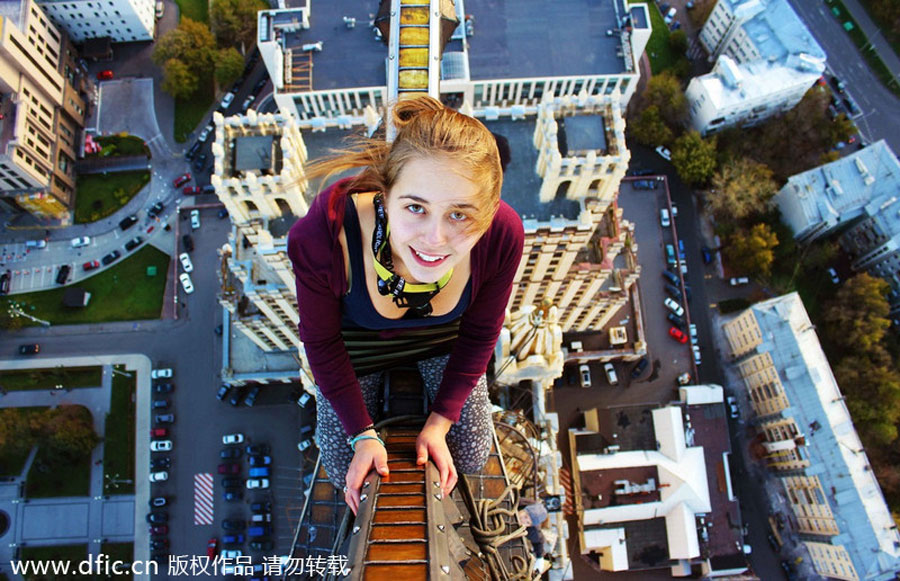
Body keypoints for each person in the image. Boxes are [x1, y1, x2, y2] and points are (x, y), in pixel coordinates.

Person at [287, 96, 524, 514]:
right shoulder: (323, 236)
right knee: (341, 460)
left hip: (443, 341)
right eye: (416, 207)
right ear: (384, 193)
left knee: (470, 452)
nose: (434, 238)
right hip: (357, 346)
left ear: (488, 216)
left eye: (460, 216)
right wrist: (362, 434)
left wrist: (439, 423)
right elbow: (321, 343)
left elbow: (481, 332)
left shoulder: (503, 235)